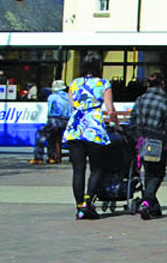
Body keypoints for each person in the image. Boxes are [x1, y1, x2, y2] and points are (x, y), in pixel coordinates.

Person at [65, 57, 116, 221]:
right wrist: (117, 125)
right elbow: (110, 109)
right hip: (94, 129)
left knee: (78, 170)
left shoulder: (74, 84)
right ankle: (88, 201)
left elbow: (73, 105)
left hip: (75, 129)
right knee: (97, 168)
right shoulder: (104, 84)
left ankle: (79, 206)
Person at [130, 74, 167, 219]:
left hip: (142, 139)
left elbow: (133, 119)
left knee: (148, 173)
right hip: (158, 140)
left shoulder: (140, 99)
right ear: (162, 84)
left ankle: (153, 207)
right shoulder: (165, 101)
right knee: (157, 174)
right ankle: (146, 202)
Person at [43, 79, 71, 163]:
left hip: (55, 120)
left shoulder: (52, 97)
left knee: (49, 137)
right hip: (66, 121)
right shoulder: (69, 97)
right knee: (59, 136)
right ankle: (61, 155)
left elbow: (49, 110)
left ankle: (51, 156)